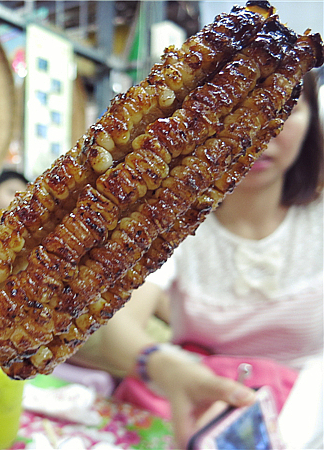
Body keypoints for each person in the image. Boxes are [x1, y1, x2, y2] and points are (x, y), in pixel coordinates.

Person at [76, 71, 323, 448]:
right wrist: (162, 364)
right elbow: (119, 327)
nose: (260, 127)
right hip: (197, 410)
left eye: (285, 107)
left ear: (311, 120)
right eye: (238, 107)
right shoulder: (175, 224)